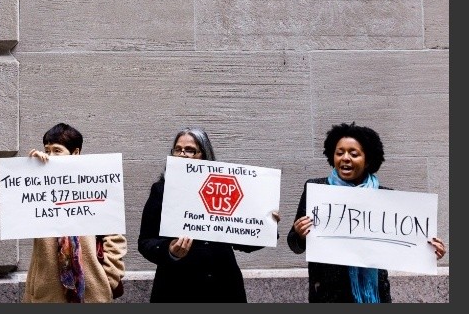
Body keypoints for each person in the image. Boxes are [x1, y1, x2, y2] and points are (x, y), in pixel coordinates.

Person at [288, 122, 447, 303]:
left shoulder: (385, 198)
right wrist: (300, 235)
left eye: (354, 154)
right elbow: (294, 244)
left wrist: (429, 251)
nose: (345, 158)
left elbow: (405, 244)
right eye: (339, 153)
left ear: (368, 160)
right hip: (327, 295)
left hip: (375, 295)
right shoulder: (316, 190)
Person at [137, 127, 280, 302]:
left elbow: (243, 240)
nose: (183, 154)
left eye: (190, 150)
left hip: (222, 287)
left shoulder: (225, 188)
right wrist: (170, 250)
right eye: (178, 149)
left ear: (204, 155)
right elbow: (145, 242)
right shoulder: (161, 190)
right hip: (177, 287)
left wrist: (265, 226)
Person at [22, 123, 127, 303]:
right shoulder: (39, 188)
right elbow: (20, 219)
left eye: (57, 150)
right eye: (47, 150)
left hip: (92, 291)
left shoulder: (95, 186)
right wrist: (30, 173)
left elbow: (115, 238)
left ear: (76, 153)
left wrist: (108, 278)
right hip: (47, 293)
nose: (50, 156)